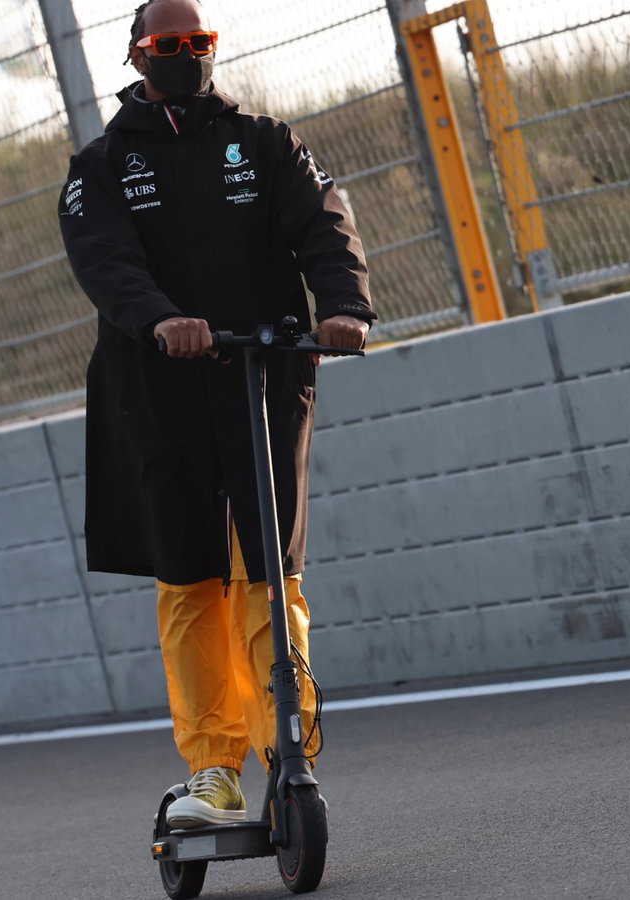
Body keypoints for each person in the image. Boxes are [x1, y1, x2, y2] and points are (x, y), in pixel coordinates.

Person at [57, 0, 373, 829]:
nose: (188, 55)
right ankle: (212, 769)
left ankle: (289, 745)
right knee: (191, 577)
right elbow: (106, 260)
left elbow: (324, 223)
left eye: (200, 42)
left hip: (266, 371)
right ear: (137, 55)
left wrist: (344, 305)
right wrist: (162, 320)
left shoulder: (265, 142)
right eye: (171, 44)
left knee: (274, 571)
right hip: (160, 387)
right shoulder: (100, 167)